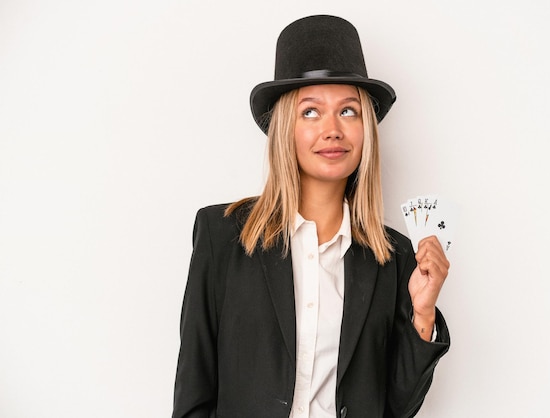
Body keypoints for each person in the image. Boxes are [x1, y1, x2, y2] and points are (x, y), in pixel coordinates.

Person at [172, 15, 450, 418]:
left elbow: (397, 407)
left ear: (366, 129)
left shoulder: (395, 257)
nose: (333, 130)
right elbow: (193, 393)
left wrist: (423, 313)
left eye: (349, 111)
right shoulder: (222, 236)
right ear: (285, 126)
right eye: (311, 112)